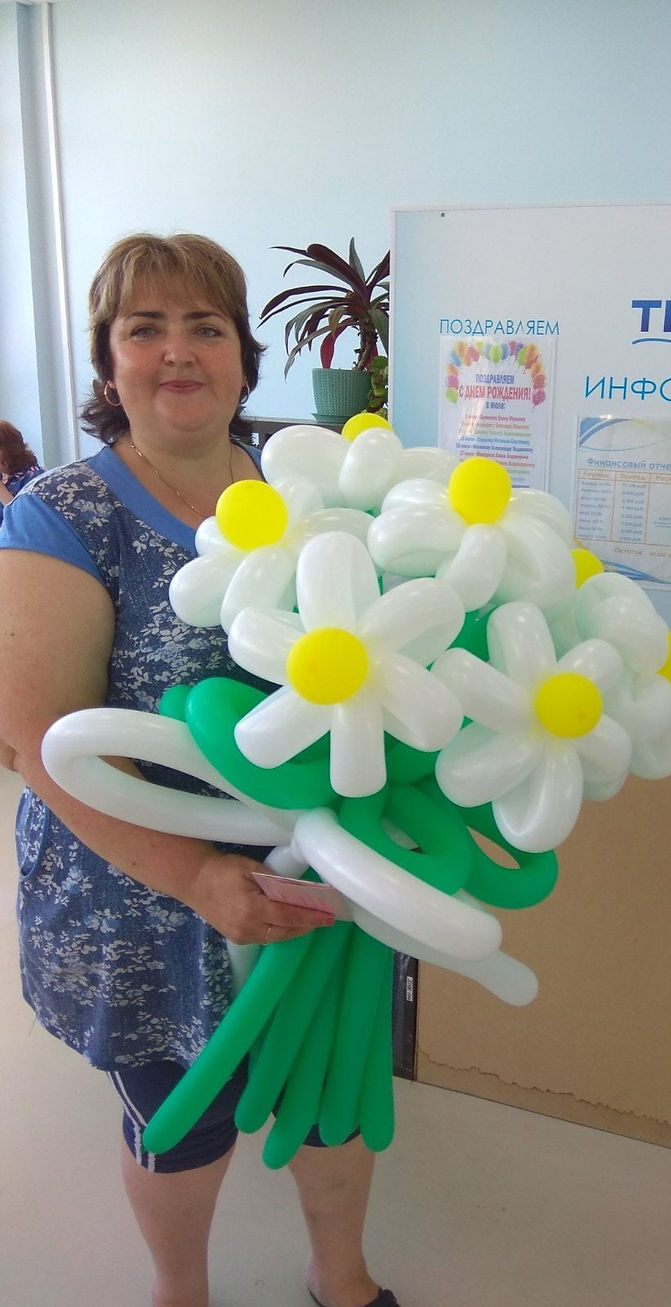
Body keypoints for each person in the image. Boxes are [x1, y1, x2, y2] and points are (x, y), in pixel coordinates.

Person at [0, 233, 399, 1307]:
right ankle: (180, 1290)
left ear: (242, 357)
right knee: (184, 1117)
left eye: (205, 327)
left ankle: (341, 1275)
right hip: (139, 894)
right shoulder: (62, 513)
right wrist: (197, 878)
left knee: (330, 1084)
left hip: (317, 864)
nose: (177, 351)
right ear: (108, 360)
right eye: (145, 329)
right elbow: (35, 738)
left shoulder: (309, 492)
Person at [0, 420, 45, 525]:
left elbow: (26, 520)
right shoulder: (3, 475)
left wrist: (1, 490)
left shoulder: (35, 477)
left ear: (9, 449)